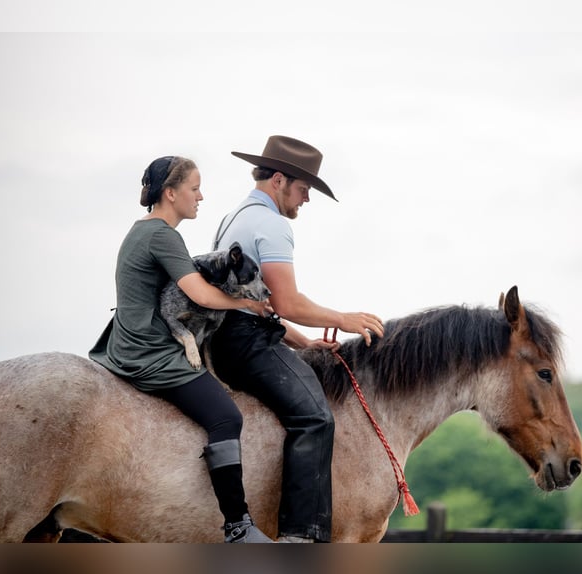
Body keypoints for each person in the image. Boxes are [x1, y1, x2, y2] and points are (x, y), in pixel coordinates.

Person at [89, 156, 275, 543]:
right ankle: (238, 526)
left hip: (125, 340)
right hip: (149, 350)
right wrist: (249, 304)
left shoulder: (142, 230)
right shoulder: (162, 235)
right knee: (227, 417)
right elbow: (199, 293)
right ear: (171, 193)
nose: (200, 196)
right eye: (194, 188)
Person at [210, 135, 385, 543]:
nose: (306, 199)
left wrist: (304, 343)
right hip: (245, 342)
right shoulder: (271, 224)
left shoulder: (233, 217)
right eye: (304, 189)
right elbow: (286, 302)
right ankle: (298, 537)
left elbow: (260, 303)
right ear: (278, 180)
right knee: (316, 417)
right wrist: (343, 318)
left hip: (232, 334)